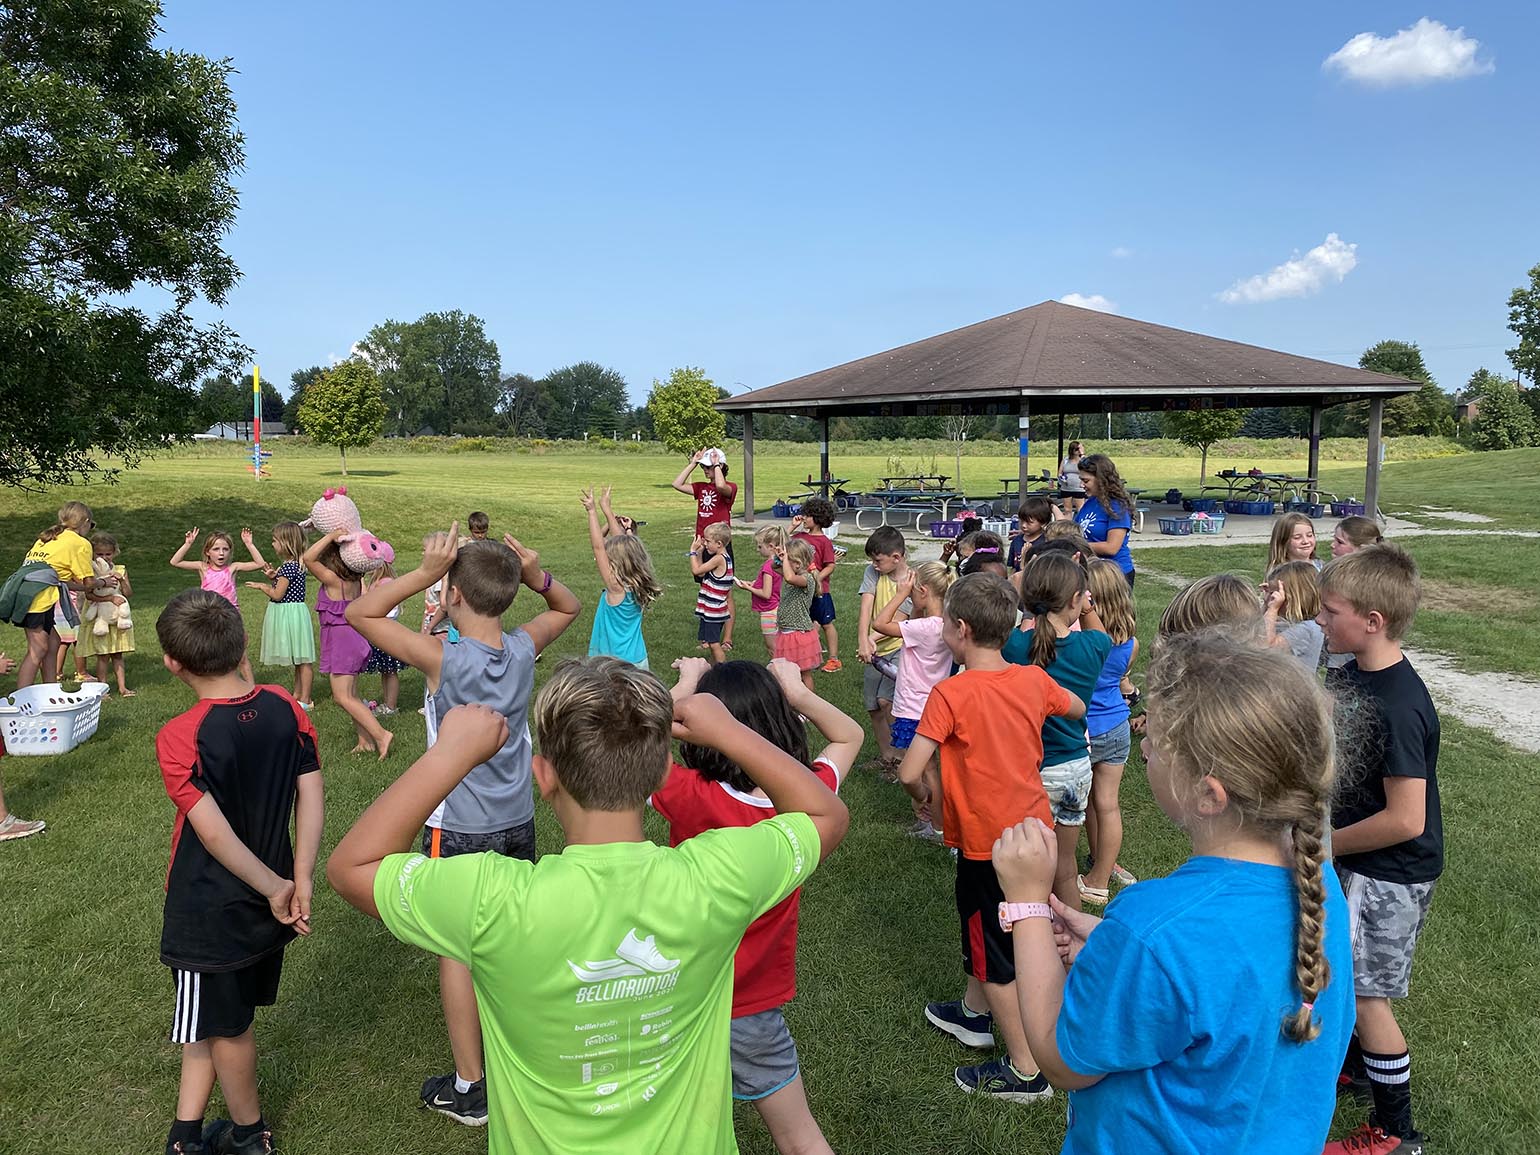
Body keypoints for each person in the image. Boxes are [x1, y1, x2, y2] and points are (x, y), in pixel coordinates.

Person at [325, 657, 849, 1155]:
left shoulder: (493, 898)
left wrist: (450, 753)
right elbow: (825, 816)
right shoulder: (717, 878)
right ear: (663, 770)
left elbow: (352, 868)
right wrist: (729, 731)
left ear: (544, 774)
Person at [992, 630, 1353, 1153]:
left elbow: (1058, 1057)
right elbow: (1218, 983)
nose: (1143, 743)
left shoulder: (1153, 931)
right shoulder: (1319, 885)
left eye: (1157, 742)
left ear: (1208, 794)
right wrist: (1110, 945)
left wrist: (1026, 902)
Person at [346, 523, 580, 1127]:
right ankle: (520, 1056)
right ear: (509, 597)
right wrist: (535, 574)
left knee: (459, 950)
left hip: (460, 826)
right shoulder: (525, 647)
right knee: (509, 938)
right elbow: (569, 605)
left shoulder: (442, 655)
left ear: (452, 595)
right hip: (519, 819)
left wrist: (424, 573)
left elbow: (362, 613)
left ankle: (471, 1086)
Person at [653, 657, 863, 1155]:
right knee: (799, 1136)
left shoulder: (689, 794)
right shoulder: (809, 799)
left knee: (673, 1129)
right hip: (753, 1004)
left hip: (677, 994)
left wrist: (682, 688)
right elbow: (850, 735)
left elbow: (628, 739)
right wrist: (798, 693)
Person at [897, 573, 1084, 1103]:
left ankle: (1028, 1069)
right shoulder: (1031, 679)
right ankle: (974, 1016)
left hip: (989, 851)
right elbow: (1075, 707)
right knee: (1011, 935)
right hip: (1035, 835)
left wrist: (926, 793)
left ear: (958, 629)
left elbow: (911, 770)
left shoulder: (950, 693)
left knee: (995, 955)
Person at [153, 589, 323, 1155]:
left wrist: (281, 887)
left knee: (228, 1027)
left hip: (212, 907)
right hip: (266, 896)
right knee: (214, 1014)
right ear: (244, 642)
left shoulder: (181, 735)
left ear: (173, 663)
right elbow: (311, 794)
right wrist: (299, 877)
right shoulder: (287, 706)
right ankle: (186, 1135)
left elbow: (213, 833)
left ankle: (251, 1136)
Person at [1317, 544, 1441, 1155]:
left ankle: (1398, 1133)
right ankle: (1361, 1069)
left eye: (1330, 610)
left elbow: (1406, 818)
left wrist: (1325, 842)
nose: (1319, 618)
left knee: (1368, 996)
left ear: (1373, 622)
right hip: (1356, 862)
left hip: (1386, 869)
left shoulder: (1398, 703)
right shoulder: (1350, 676)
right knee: (1344, 973)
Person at [1004, 553, 1112, 909]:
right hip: (1075, 769)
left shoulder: (1014, 647)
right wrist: (1086, 604)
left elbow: (1020, 632)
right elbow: (1099, 633)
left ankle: (1029, 929)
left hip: (1032, 769)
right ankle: (1073, 938)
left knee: (1028, 863)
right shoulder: (1094, 647)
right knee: (1064, 867)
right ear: (1076, 600)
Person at [871, 560, 956, 841]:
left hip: (914, 708)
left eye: (911, 591)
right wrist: (914, 599)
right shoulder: (944, 624)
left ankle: (932, 812)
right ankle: (932, 821)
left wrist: (898, 595)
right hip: (933, 704)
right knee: (928, 766)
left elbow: (879, 623)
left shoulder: (924, 628)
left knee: (922, 771)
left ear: (923, 590)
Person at [302, 528, 394, 758]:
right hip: (352, 638)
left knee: (342, 696)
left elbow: (308, 558)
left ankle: (381, 735)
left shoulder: (332, 579)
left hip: (342, 639)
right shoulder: (354, 580)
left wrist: (330, 537)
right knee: (351, 694)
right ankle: (365, 741)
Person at [1078, 559, 1139, 904]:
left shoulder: (1080, 641)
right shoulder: (1130, 644)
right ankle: (1103, 870)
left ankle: (1094, 877)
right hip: (1116, 727)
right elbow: (1118, 682)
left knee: (1083, 805)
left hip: (1085, 731)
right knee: (1107, 805)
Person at [15, 500, 101, 688]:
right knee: (37, 649)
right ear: (85, 521)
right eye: (90, 525)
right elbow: (88, 583)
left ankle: (51, 692)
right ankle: (21, 699)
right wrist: (104, 581)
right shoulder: (80, 543)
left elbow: (60, 580)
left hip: (26, 593)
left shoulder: (47, 538)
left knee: (53, 642)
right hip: (38, 598)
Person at [170, 528, 268, 684]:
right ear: (208, 552)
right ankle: (215, 687)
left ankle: (251, 688)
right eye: (216, 549)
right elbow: (175, 561)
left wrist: (249, 544)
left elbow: (260, 563)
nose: (221, 553)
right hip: (208, 618)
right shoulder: (203, 568)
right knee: (210, 654)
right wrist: (187, 544)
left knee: (241, 656)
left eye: (225, 549)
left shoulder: (232, 568)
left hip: (231, 618)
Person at [582, 487, 662, 668]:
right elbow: (624, 547)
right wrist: (607, 509)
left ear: (616, 562)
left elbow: (598, 547)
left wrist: (592, 511)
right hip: (638, 659)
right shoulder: (639, 584)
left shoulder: (616, 588)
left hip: (614, 665)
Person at [857, 526, 912, 776]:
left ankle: (902, 759)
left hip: (900, 647)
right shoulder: (873, 572)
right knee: (873, 707)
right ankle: (887, 758)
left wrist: (870, 638)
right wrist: (862, 639)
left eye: (878, 560)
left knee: (886, 701)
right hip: (875, 649)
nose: (874, 564)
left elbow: (898, 619)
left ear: (897, 557)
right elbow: (866, 606)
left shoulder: (910, 580)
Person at [245, 522, 315, 710]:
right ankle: (298, 695)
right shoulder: (296, 565)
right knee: (300, 659)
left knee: (303, 660)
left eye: (275, 540)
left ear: (286, 543)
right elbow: (286, 585)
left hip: (289, 614)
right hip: (296, 613)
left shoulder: (287, 568)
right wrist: (273, 577)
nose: (273, 544)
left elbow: (277, 594)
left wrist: (264, 586)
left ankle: (306, 699)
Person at [674, 449, 738, 648]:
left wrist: (717, 464)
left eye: (707, 467)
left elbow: (720, 485)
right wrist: (693, 462)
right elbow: (676, 484)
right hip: (703, 545)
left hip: (719, 546)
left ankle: (726, 637)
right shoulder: (701, 487)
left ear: (720, 467)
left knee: (725, 593)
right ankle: (707, 635)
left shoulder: (730, 487)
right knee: (707, 589)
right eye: (704, 467)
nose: (704, 470)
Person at [79, 531, 136, 697]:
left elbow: (128, 592)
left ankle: (123, 687)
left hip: (118, 618)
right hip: (101, 619)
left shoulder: (121, 569)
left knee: (118, 654)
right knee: (103, 655)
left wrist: (122, 580)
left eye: (108, 554)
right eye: (99, 554)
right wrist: (110, 598)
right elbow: (89, 595)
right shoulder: (93, 572)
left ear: (114, 552)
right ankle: (102, 689)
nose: (104, 557)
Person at [792, 498, 841, 672]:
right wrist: (792, 527)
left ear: (817, 518)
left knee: (826, 623)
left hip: (820, 591)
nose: (803, 518)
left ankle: (834, 659)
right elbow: (783, 543)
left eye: (807, 516)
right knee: (806, 624)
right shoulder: (799, 537)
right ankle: (809, 656)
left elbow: (830, 565)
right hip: (802, 590)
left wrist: (817, 578)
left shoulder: (824, 542)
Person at [1074, 454, 1135, 586]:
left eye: (1086, 481)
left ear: (1101, 480)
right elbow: (1073, 529)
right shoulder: (1090, 502)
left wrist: (1075, 545)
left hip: (1114, 574)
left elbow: (1111, 547)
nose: (1081, 485)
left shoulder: (1117, 506)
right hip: (1092, 571)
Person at [772, 539, 821, 691]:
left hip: (798, 634)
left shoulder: (806, 579)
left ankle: (808, 705)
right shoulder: (792, 573)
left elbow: (789, 578)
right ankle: (793, 701)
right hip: (787, 633)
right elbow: (774, 567)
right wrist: (779, 558)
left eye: (788, 560)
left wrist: (785, 559)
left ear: (798, 564)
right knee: (786, 674)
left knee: (803, 674)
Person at [362, 562, 407, 715]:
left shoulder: (386, 583)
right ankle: (387, 703)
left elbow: (375, 604)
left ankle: (391, 705)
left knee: (390, 670)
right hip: (379, 632)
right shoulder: (375, 582)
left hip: (388, 633)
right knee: (385, 670)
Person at [1263, 561, 1324, 673]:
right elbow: (1258, 630)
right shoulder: (1299, 624)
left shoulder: (1307, 629)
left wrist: (1272, 610)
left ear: (1291, 598)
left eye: (1274, 594)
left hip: (1291, 688)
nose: (1272, 598)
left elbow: (1265, 649)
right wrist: (1266, 604)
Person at [690, 522, 735, 664]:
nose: (705, 544)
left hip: (713, 611)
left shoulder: (718, 559)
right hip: (714, 610)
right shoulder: (724, 558)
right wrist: (699, 553)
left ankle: (723, 672)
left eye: (708, 541)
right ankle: (713, 668)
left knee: (714, 644)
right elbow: (702, 573)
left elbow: (696, 571)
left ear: (719, 543)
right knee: (711, 643)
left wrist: (692, 551)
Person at [737, 525, 786, 655]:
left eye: (760, 546)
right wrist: (753, 584)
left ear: (770, 546)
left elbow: (766, 593)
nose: (757, 550)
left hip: (769, 611)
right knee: (781, 645)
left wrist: (748, 588)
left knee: (772, 649)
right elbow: (771, 584)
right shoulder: (778, 563)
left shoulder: (768, 566)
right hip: (777, 608)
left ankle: (780, 671)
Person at [1009, 496, 1055, 572]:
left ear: (1043, 522)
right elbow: (1013, 568)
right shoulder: (1016, 541)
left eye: (1029, 522)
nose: (1023, 525)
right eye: (1022, 521)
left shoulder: (1046, 542)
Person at [1058, 441, 1087, 514]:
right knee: (1067, 510)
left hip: (1079, 488)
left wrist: (1082, 454)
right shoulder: (1066, 460)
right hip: (1066, 487)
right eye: (1077, 449)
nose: (1079, 451)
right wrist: (1062, 478)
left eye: (1080, 449)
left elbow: (1087, 468)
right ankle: (1067, 523)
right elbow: (1060, 472)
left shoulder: (1083, 460)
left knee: (1080, 509)